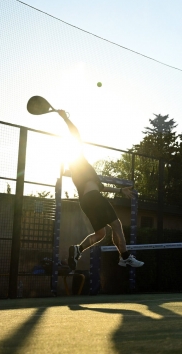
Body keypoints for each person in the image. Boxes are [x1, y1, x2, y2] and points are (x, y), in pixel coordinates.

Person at [57, 110, 145, 270]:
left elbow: (102, 187)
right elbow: (75, 134)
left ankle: (78, 249)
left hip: (87, 202)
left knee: (101, 234)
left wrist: (120, 191)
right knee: (117, 224)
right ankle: (125, 257)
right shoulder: (79, 161)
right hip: (93, 199)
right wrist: (65, 119)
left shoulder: (89, 175)